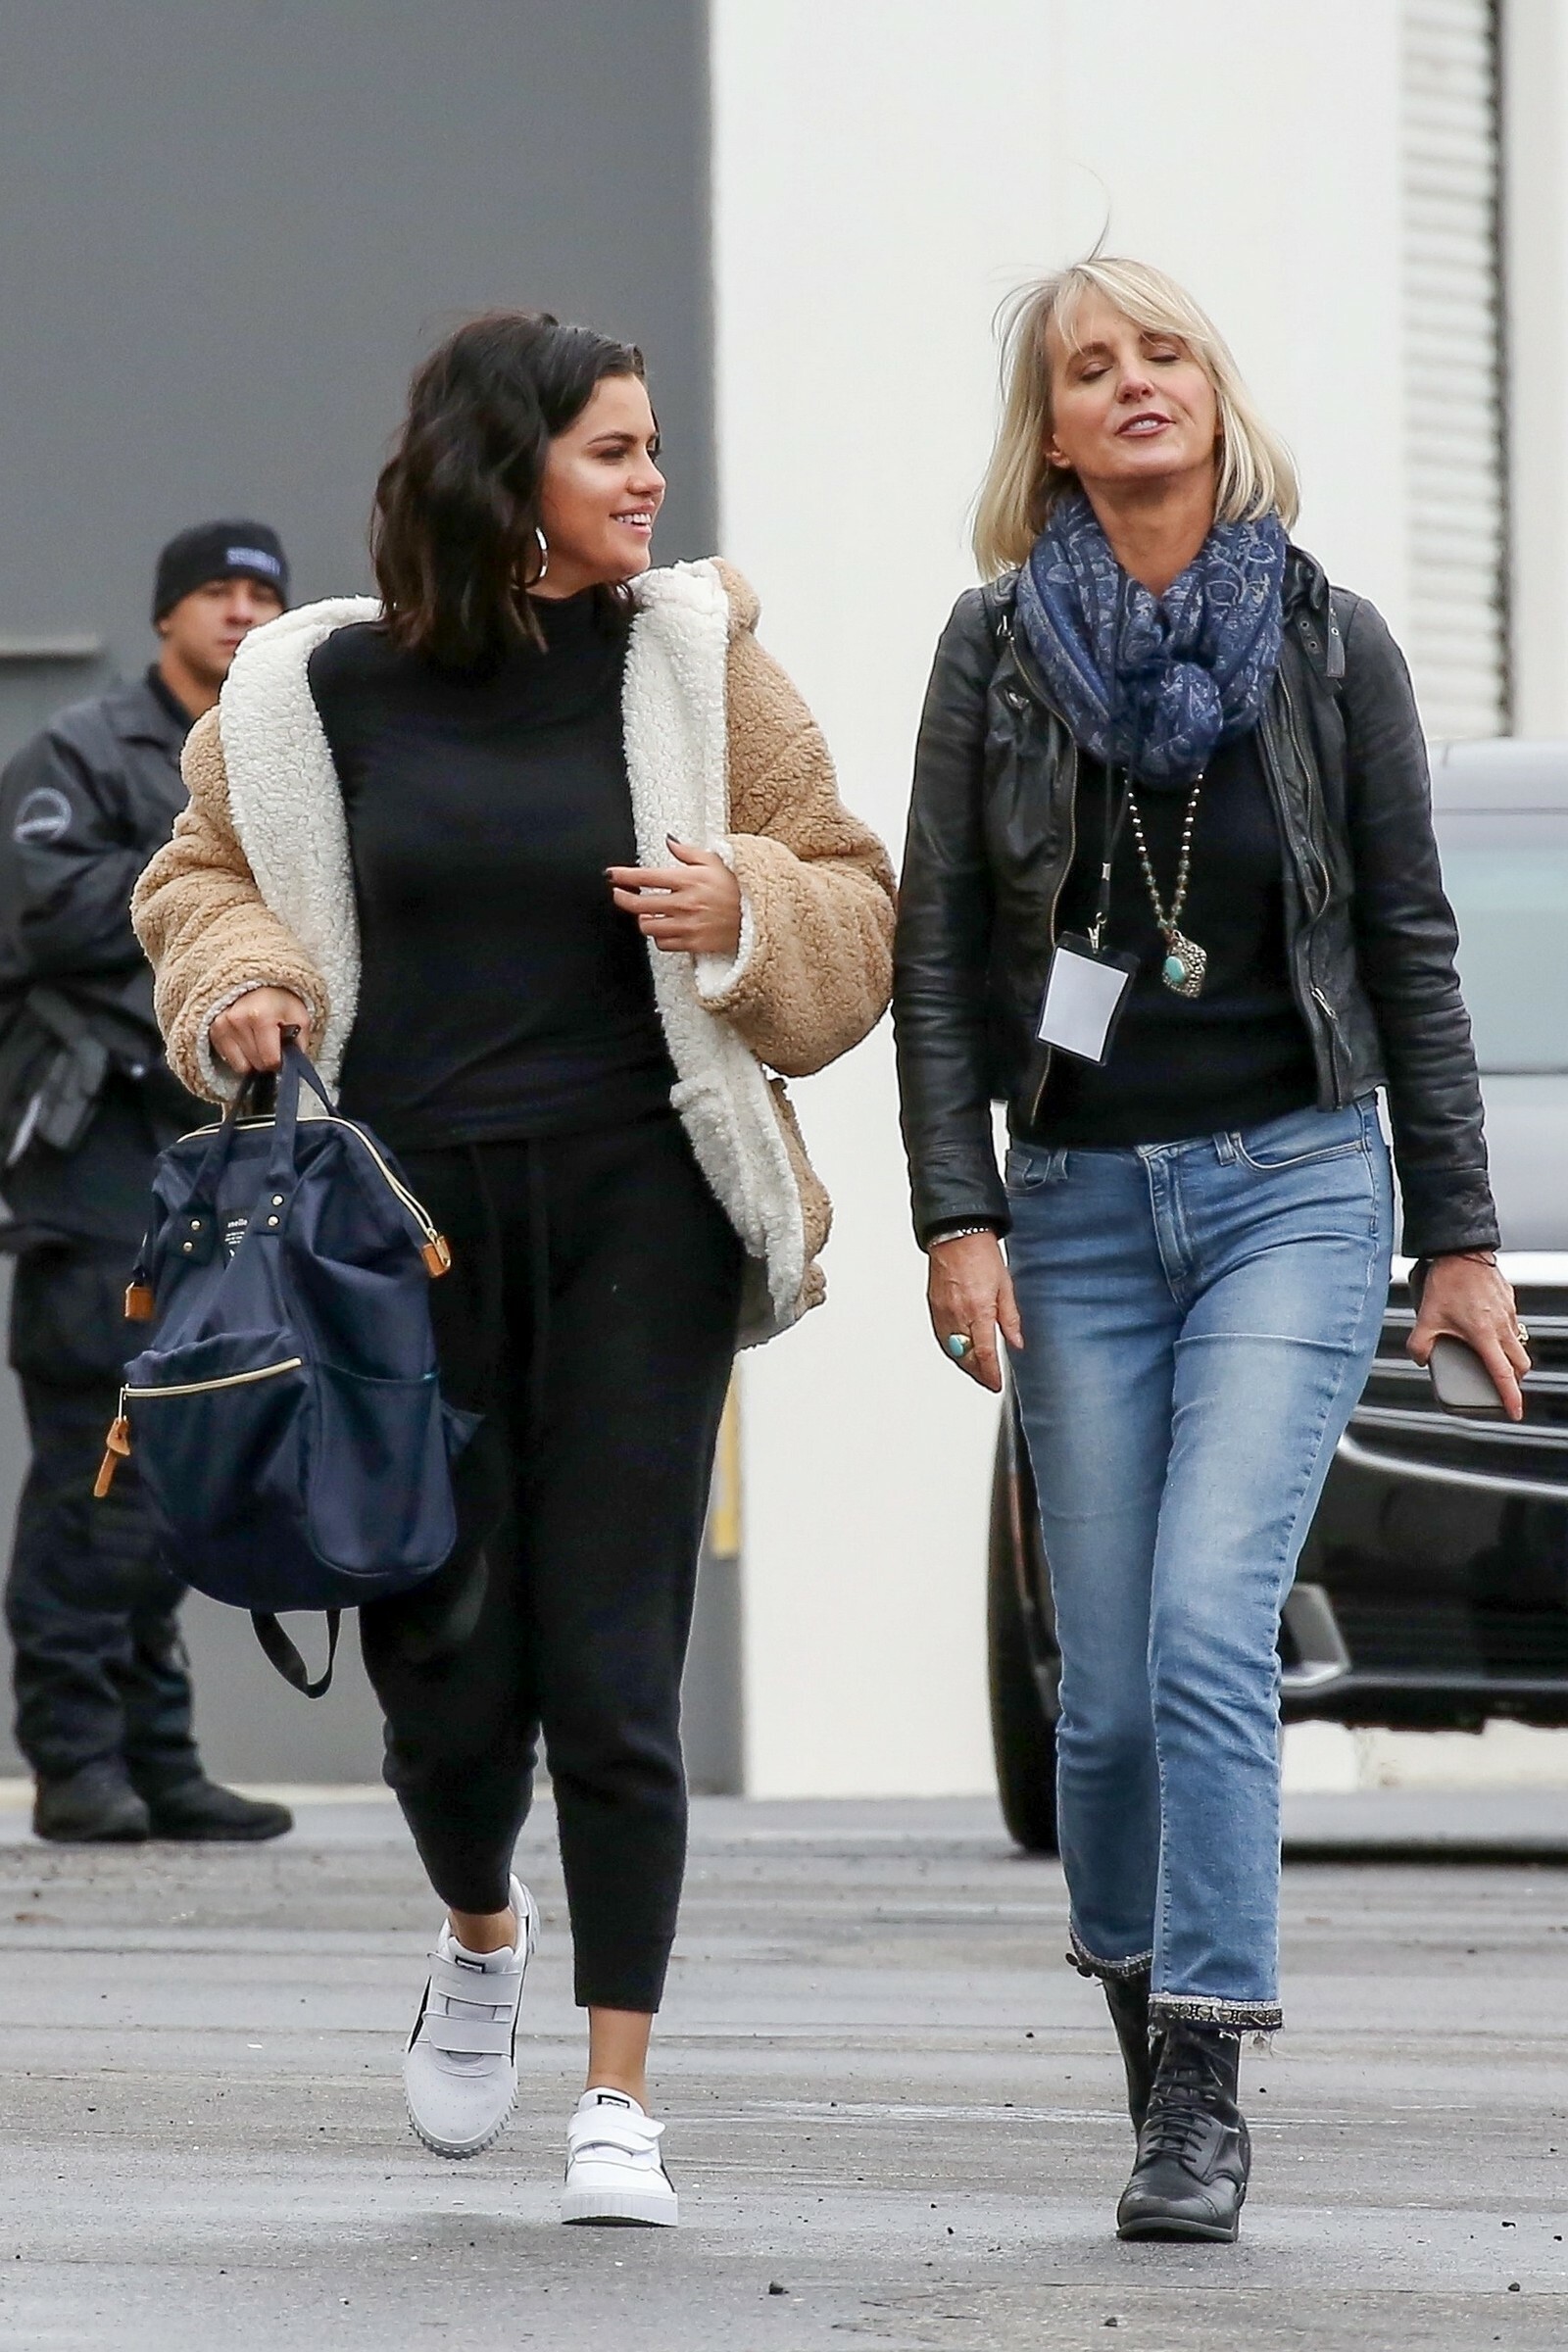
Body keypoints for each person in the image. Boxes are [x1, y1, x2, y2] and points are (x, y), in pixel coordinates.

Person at [132, 312, 894, 2227]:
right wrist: (241, 982)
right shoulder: (311, 689)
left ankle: (619, 2097)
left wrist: (747, 908)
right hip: (400, 1245)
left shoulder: (699, 665)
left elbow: (853, 893)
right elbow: (195, 877)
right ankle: (481, 1929)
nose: (652, 480)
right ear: (507, 470)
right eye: (612, 450)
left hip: (644, 1214)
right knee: (448, 1682)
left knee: (615, 1671)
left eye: (651, 447)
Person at [893, 258, 1526, 2243]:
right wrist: (955, 1210)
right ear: (1054, 435)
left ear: (1215, 393)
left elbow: (1408, 943)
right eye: (1091, 367)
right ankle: (1142, 2015)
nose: (1134, 382)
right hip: (1077, 1208)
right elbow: (935, 954)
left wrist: (1460, 1235)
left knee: (1199, 1630)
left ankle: (1200, 2079)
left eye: (1162, 351)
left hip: (1292, 1194)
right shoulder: (995, 652)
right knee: (1093, 1692)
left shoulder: (1327, 643)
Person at [0, 521, 296, 1846]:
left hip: (214, 1161)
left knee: (185, 1454)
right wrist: (206, 905)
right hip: (95, 1165)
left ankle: (158, 1755)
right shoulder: (82, 753)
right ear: (169, 613)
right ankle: (77, 1758)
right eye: (215, 592)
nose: (240, 613)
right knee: (94, 1464)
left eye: (261, 594)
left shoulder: (282, 763)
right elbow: (45, 910)